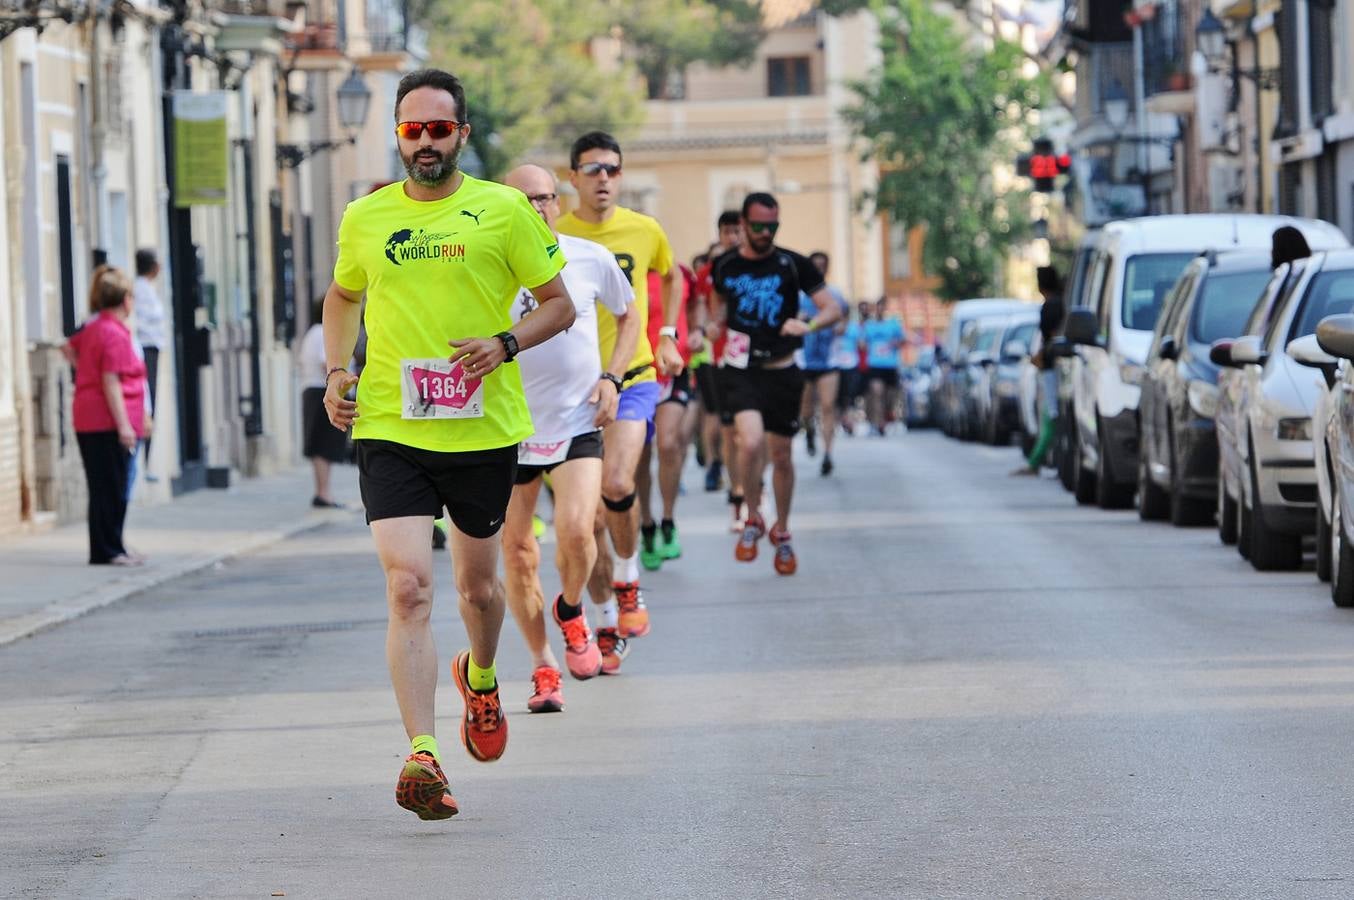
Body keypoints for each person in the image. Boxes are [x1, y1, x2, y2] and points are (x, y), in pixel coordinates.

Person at [321, 68, 575, 821]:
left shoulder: (501, 210)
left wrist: (504, 343)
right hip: (391, 427)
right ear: (398, 135)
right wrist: (338, 371)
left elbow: (558, 306)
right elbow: (343, 295)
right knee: (408, 587)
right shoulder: (366, 217)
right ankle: (423, 755)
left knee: (479, 591)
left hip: (481, 430)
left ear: (462, 133)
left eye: (438, 129)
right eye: (411, 130)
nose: (424, 142)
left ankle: (485, 677)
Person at [498, 164, 640, 709]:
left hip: (577, 417)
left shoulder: (588, 257)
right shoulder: (488, 266)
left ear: (557, 202)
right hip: (510, 426)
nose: (536, 208)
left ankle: (572, 605)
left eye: (544, 199)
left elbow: (629, 316)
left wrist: (612, 377)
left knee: (579, 530)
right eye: (524, 200)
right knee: (518, 552)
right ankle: (543, 666)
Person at [557, 131, 680, 661]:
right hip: (571, 391)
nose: (603, 179)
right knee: (587, 523)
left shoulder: (644, 229)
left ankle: (629, 578)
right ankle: (606, 619)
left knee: (617, 481)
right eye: (592, 170)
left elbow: (672, 277)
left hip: (632, 373)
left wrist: (669, 334)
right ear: (573, 178)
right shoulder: (554, 235)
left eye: (612, 169)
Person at [710, 192, 842, 575]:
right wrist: (708, 328)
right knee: (749, 443)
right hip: (742, 368)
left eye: (773, 226)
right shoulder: (726, 265)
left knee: (781, 455)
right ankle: (753, 516)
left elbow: (831, 307)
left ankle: (781, 529)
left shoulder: (793, 264)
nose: (766, 233)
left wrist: (809, 324)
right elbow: (717, 309)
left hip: (784, 369)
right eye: (759, 226)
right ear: (745, 225)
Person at [69, 266, 147, 567]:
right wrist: (125, 425)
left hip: (88, 416)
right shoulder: (113, 334)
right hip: (106, 420)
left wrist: (82, 373)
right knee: (112, 486)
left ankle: (113, 545)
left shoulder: (93, 327)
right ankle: (108, 549)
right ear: (125, 300)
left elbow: (69, 349)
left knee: (102, 485)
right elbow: (111, 381)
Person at [637, 265, 698, 571]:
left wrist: (698, 330)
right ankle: (646, 523)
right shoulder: (626, 268)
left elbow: (697, 303)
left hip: (674, 371)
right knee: (641, 454)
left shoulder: (681, 274)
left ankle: (668, 520)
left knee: (669, 443)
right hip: (638, 373)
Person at [797, 251, 850, 476]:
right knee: (806, 409)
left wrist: (840, 327)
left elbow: (844, 318)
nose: (819, 269)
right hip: (804, 360)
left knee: (828, 406)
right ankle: (809, 430)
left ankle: (828, 454)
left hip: (829, 360)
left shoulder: (835, 294)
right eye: (815, 265)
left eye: (822, 265)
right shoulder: (798, 295)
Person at [1012, 266, 1065, 476]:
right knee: (1047, 415)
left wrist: (1040, 357)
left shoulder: (1051, 306)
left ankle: (1035, 462)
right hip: (1055, 366)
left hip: (1052, 368)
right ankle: (1036, 460)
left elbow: (1050, 337)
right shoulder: (1061, 302)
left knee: (1051, 414)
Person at [298, 299, 349, 507]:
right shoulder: (322, 333)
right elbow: (325, 363)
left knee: (321, 445)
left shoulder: (312, 332)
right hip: (323, 390)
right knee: (323, 445)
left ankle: (324, 491)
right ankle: (323, 492)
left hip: (314, 389)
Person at [132, 249, 166, 478]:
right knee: (147, 401)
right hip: (146, 349)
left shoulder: (146, 289)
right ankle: (143, 460)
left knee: (150, 402)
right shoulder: (140, 290)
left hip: (151, 348)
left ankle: (146, 459)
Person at [862, 298, 906, 435]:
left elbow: (903, 340)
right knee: (877, 393)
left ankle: (887, 416)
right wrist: (863, 346)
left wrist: (896, 343)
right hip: (875, 364)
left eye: (882, 307)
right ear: (875, 309)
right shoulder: (869, 325)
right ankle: (879, 423)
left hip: (890, 364)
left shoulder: (893, 324)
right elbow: (862, 343)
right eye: (878, 307)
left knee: (889, 397)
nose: (880, 310)